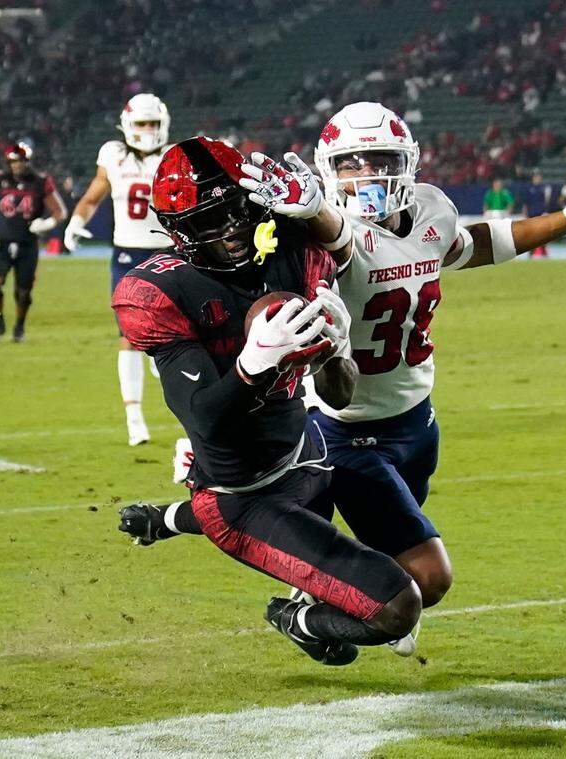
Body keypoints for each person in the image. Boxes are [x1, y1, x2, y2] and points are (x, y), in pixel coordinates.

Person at [122, 104, 566, 658]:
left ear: (409, 162)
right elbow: (336, 238)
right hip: (343, 426)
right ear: (325, 172)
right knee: (420, 581)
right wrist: (312, 213)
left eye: (382, 161)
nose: (368, 176)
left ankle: (174, 519)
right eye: (351, 165)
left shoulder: (431, 210)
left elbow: (470, 245)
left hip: (415, 414)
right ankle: (307, 616)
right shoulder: (320, 234)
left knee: (380, 555)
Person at [113, 136, 418, 666]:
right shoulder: (159, 290)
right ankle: (294, 618)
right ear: (180, 232)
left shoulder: (296, 252)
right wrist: (252, 366)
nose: (230, 229)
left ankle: (164, 520)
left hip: (306, 448)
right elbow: (203, 417)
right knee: (397, 606)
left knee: (415, 562)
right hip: (243, 494)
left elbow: (339, 395)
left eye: (236, 209)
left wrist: (334, 351)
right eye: (209, 221)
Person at [64, 93, 172, 446]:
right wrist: (76, 220)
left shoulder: (175, 157)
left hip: (170, 252)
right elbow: (94, 194)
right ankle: (134, 416)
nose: (147, 130)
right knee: (129, 338)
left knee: (174, 336)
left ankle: (170, 383)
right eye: (141, 123)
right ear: (127, 125)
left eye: (152, 124)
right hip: (127, 254)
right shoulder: (112, 155)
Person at [0, 142, 66, 343]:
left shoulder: (40, 181)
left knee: (23, 293)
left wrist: (46, 223)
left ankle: (19, 327)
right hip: (1, 242)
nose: (17, 165)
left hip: (27, 243)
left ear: (28, 161)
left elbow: (60, 211)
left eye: (21, 161)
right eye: (13, 161)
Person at [520, 171, 554, 257]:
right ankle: (531, 252)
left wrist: (546, 212)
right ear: (533, 178)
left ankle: (544, 251)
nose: (537, 178)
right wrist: (525, 214)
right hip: (532, 214)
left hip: (541, 214)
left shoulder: (543, 188)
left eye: (538, 177)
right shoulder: (529, 188)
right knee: (531, 235)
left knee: (543, 234)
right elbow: (525, 203)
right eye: (536, 177)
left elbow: (547, 201)